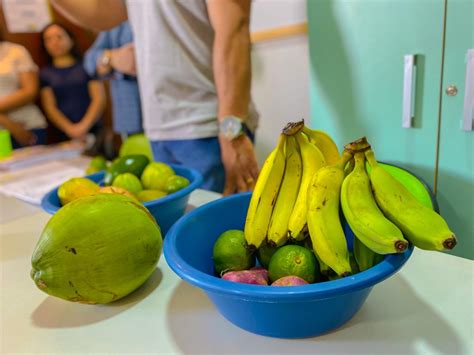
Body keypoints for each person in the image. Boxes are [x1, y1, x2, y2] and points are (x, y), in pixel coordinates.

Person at [50, 0, 260, 195]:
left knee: (219, 227)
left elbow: (234, 28)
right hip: (161, 129)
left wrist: (232, 130)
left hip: (208, 126)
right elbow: (102, 12)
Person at [39, 23, 105, 143]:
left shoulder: (87, 65)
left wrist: (84, 126)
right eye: (48, 39)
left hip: (94, 129)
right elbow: (50, 107)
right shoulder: (45, 73)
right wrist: (70, 129)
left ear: (71, 39)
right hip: (63, 133)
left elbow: (98, 98)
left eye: (59, 37)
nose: (55, 42)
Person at [83, 21, 142, 140]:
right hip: (132, 117)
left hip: (177, 114)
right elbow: (90, 60)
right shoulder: (120, 18)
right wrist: (111, 58)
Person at [0, 37, 47, 148]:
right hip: (17, 129)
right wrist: (11, 125)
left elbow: (30, 91)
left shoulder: (15, 51)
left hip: (27, 125)